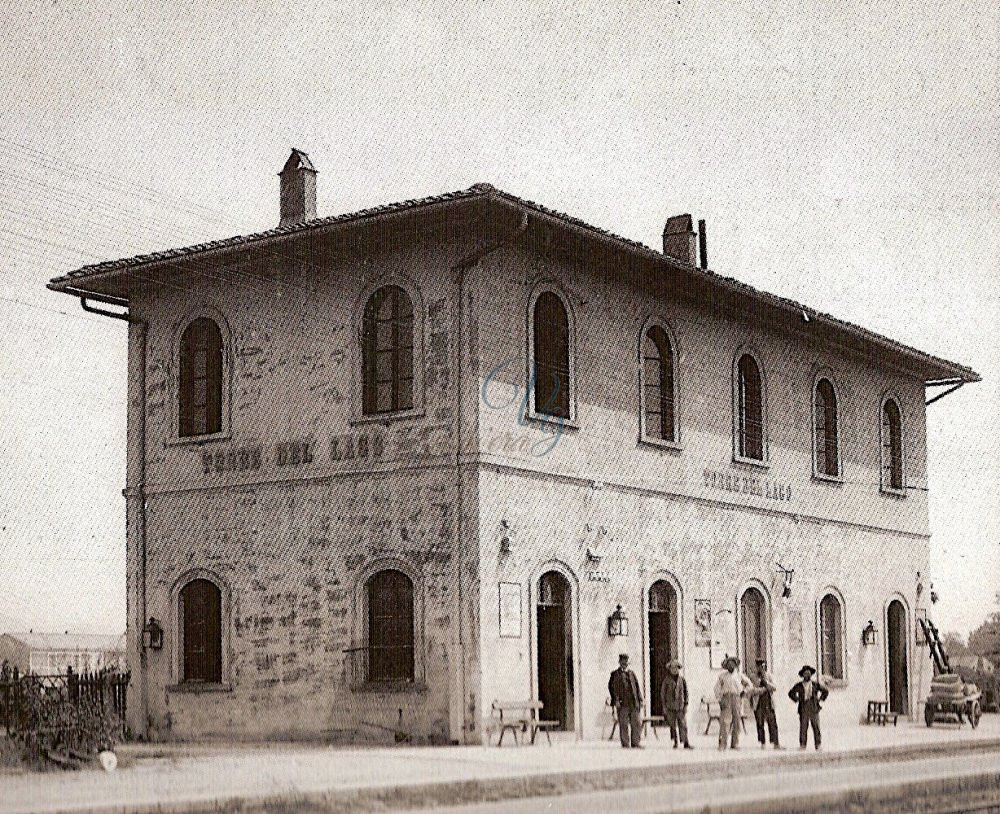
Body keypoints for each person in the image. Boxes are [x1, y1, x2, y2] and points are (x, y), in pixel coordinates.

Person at [714, 656, 752, 750]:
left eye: (732, 663)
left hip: (737, 698)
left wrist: (744, 691)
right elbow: (716, 688)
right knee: (725, 722)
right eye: (729, 664)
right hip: (726, 698)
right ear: (726, 665)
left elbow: (749, 684)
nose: (731, 665)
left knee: (736, 721)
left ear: (736, 665)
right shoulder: (722, 676)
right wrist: (720, 699)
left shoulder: (739, 675)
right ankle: (722, 744)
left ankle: (735, 743)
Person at [788, 665, 828, 750]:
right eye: (805, 674)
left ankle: (818, 745)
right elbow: (791, 693)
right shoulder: (799, 685)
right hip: (803, 708)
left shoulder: (815, 684)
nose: (807, 675)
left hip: (813, 707)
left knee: (816, 727)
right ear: (803, 675)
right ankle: (803, 745)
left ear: (811, 674)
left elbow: (825, 691)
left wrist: (820, 699)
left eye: (809, 673)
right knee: (803, 727)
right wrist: (797, 699)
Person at [609, 653, 643, 748]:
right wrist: (615, 700)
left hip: (633, 702)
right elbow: (612, 688)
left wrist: (640, 700)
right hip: (622, 703)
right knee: (623, 724)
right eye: (623, 662)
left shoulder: (632, 674)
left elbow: (637, 687)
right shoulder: (615, 674)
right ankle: (625, 743)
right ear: (619, 662)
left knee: (636, 722)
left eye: (626, 662)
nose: (625, 664)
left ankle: (636, 743)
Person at [659, 659, 693, 749]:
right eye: (672, 668)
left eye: (676, 668)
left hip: (680, 706)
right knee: (672, 725)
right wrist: (664, 707)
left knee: (683, 725)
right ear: (670, 669)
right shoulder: (666, 681)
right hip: (670, 707)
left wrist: (686, 705)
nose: (674, 670)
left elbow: (686, 693)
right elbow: (662, 694)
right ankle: (675, 741)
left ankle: (685, 742)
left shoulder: (682, 680)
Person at [750, 657, 782, 750]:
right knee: (760, 723)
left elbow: (775, 687)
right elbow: (751, 690)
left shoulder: (770, 676)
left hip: (768, 702)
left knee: (772, 723)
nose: (760, 668)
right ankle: (762, 743)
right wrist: (762, 689)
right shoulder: (753, 677)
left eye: (762, 666)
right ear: (756, 667)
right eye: (759, 666)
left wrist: (766, 683)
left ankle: (775, 743)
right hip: (758, 702)